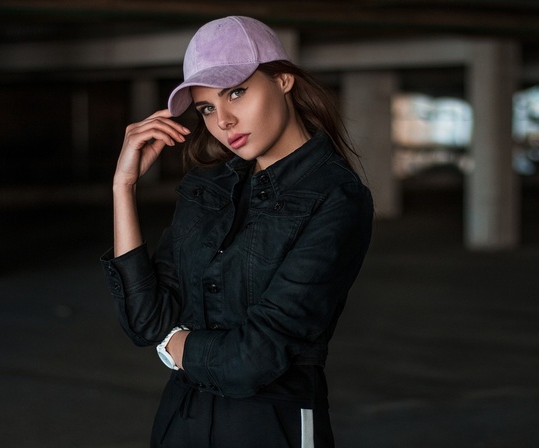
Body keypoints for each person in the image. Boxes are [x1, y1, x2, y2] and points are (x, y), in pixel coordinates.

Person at [100, 16, 373, 448]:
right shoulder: (208, 185)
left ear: (283, 80)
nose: (223, 121)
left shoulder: (336, 197)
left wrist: (174, 346)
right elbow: (145, 319)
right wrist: (123, 187)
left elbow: (253, 359)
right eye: (207, 107)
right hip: (180, 420)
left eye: (236, 93)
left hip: (269, 427)